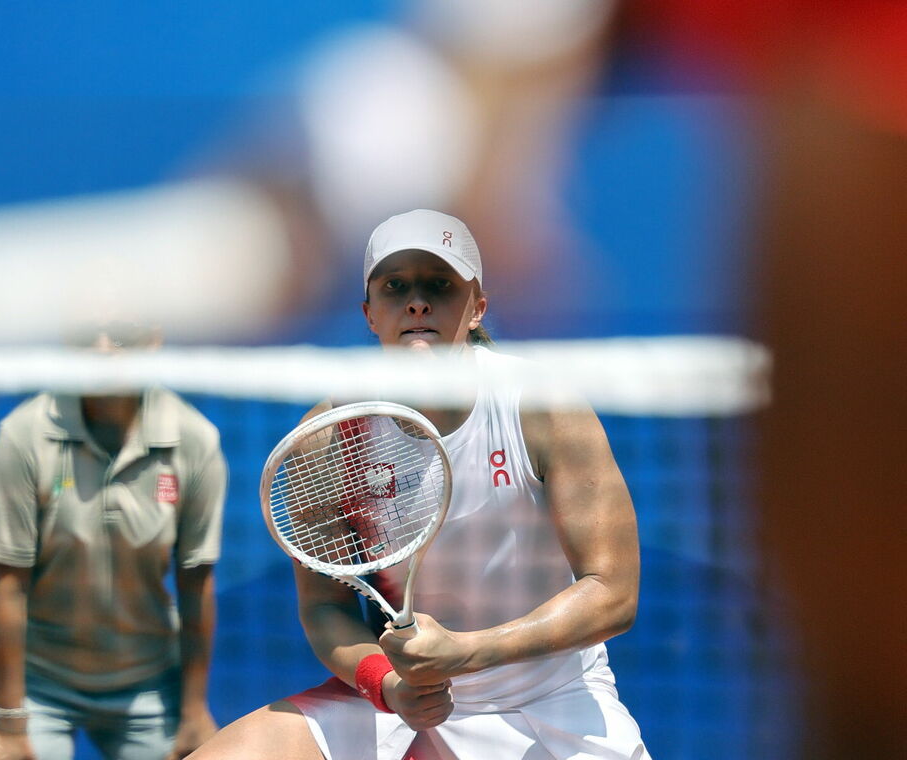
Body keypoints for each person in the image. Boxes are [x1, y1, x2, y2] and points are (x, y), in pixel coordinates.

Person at [188, 209, 648, 760]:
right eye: (396, 286)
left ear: (477, 306)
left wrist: (467, 652)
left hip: (551, 701)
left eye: (439, 285)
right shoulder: (327, 437)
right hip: (402, 706)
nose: (417, 303)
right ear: (369, 313)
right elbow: (325, 609)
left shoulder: (543, 405)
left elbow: (613, 593)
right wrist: (387, 685)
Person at [0, 323, 227, 760]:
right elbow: (9, 587)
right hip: (35, 678)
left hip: (146, 677)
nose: (103, 348)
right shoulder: (23, 436)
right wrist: (9, 723)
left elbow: (196, 584)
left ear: (154, 338)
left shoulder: (195, 440)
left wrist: (194, 710)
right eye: (87, 334)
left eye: (121, 335)